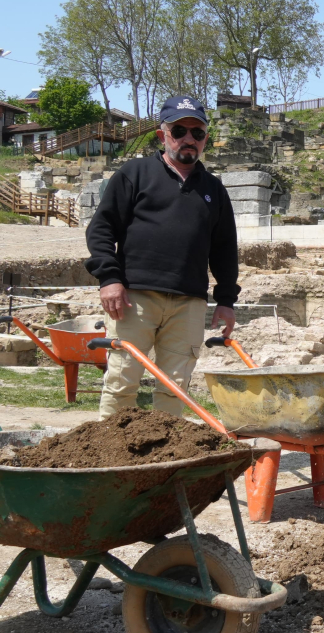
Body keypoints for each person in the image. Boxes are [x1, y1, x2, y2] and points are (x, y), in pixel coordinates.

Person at [87, 95, 239, 418]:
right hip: (133, 298)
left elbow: (225, 250)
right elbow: (101, 229)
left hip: (189, 305)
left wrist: (226, 299)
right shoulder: (134, 174)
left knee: (175, 390)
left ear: (205, 139)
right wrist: (109, 279)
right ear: (162, 135)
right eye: (179, 130)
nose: (189, 139)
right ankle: (112, 464)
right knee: (121, 383)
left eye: (197, 133)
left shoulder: (215, 190)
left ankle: (163, 464)